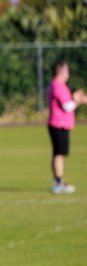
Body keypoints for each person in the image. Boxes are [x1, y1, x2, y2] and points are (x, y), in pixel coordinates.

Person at [46, 61, 87, 194]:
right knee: (59, 154)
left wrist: (76, 98)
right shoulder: (58, 85)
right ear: (62, 71)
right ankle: (58, 183)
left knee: (58, 154)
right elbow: (67, 106)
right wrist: (79, 100)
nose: (68, 73)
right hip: (59, 124)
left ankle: (58, 181)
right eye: (67, 70)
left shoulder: (58, 85)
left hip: (59, 124)